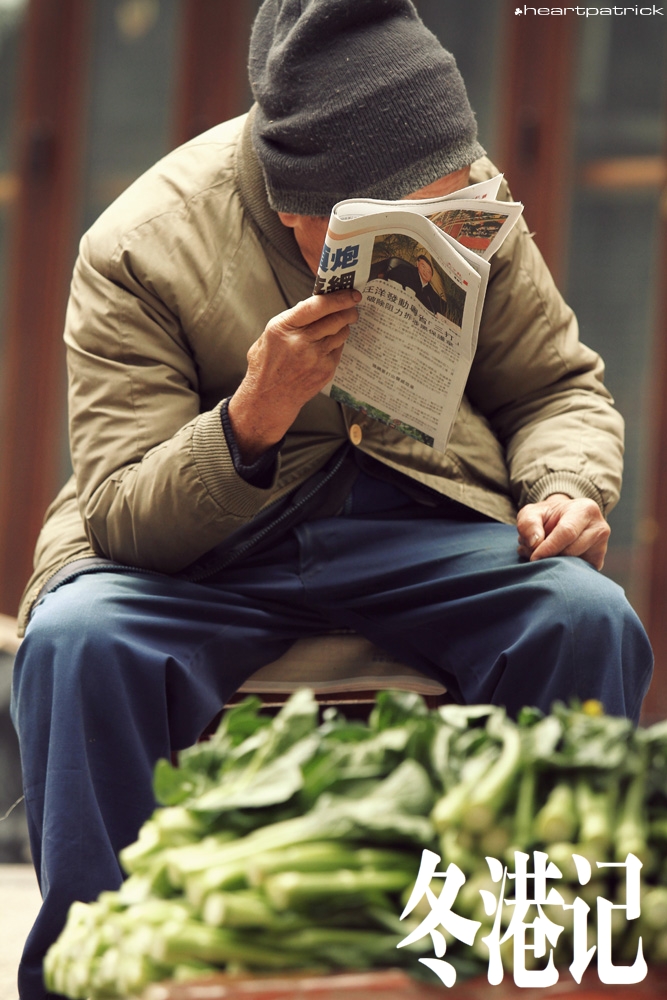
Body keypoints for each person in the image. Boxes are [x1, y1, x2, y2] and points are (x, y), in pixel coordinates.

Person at [10, 0, 653, 997]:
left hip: (420, 516)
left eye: (444, 211)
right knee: (79, 639)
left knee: (582, 616)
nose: (432, 235)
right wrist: (252, 415)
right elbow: (126, 513)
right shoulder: (140, 245)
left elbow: (556, 387)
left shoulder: (470, 202)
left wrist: (565, 486)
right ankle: (96, 975)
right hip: (211, 545)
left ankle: (547, 963)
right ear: (292, 194)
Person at [370, 253, 444, 315]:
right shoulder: (405, 271)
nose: (425, 272)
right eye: (423, 266)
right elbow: (390, 278)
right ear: (417, 264)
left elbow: (439, 306)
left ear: (431, 277)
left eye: (429, 272)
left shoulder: (429, 289)